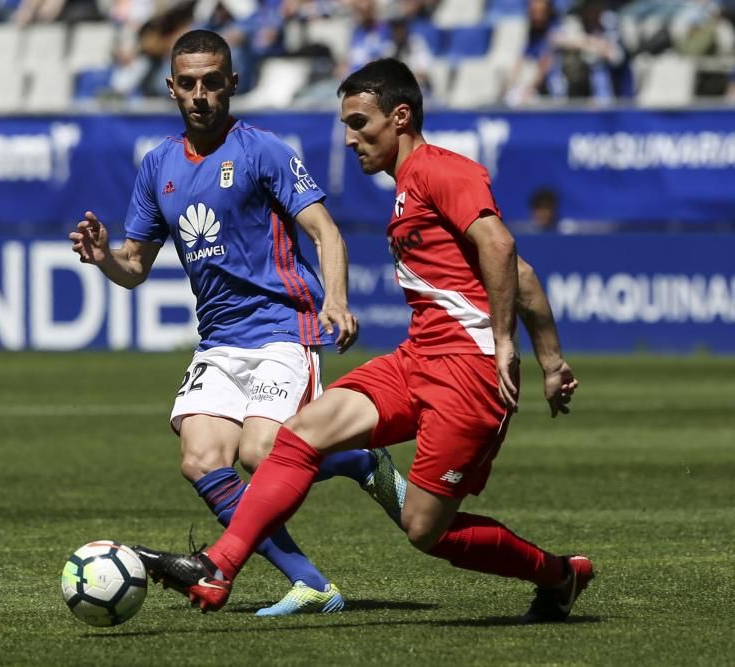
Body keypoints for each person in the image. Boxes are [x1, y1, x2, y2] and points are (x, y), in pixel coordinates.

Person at [133, 58, 593, 624]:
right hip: (417, 358)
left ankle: (558, 575)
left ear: (400, 117)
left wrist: (511, 344)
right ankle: (219, 567)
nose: (350, 139)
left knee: (427, 530)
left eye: (359, 123)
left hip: (469, 373)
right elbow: (518, 276)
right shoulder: (406, 188)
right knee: (300, 435)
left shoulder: (444, 171)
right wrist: (553, 361)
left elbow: (502, 250)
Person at [69, 31, 407, 616]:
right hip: (219, 341)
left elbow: (325, 230)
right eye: (189, 83)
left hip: (283, 327)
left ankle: (359, 459)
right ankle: (312, 584)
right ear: (171, 87)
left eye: (212, 81)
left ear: (233, 83)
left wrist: (337, 299)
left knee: (262, 453)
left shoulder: (263, 151)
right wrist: (104, 258)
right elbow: (135, 266)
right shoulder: (157, 167)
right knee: (200, 459)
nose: (200, 94)